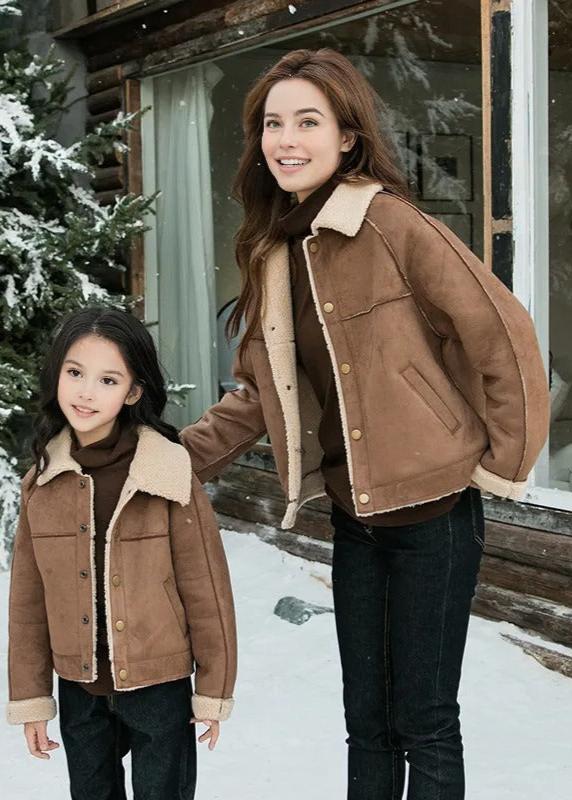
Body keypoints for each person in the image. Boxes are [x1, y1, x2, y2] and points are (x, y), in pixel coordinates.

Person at [179, 48, 550, 799]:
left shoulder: (389, 223)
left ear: (347, 137)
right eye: (272, 124)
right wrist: (169, 461)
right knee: (366, 721)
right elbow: (259, 393)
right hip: (356, 516)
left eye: (306, 121)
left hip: (437, 515)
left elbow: (502, 338)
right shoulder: (274, 248)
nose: (285, 139)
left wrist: (497, 467)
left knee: (424, 721)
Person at [7, 307, 237, 800]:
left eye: (107, 379)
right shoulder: (42, 485)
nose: (86, 392)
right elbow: (28, 604)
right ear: (57, 375)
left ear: (134, 391)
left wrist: (213, 690)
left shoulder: (167, 473)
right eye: (75, 373)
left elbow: (207, 589)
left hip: (161, 687)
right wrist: (31, 699)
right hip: (80, 689)